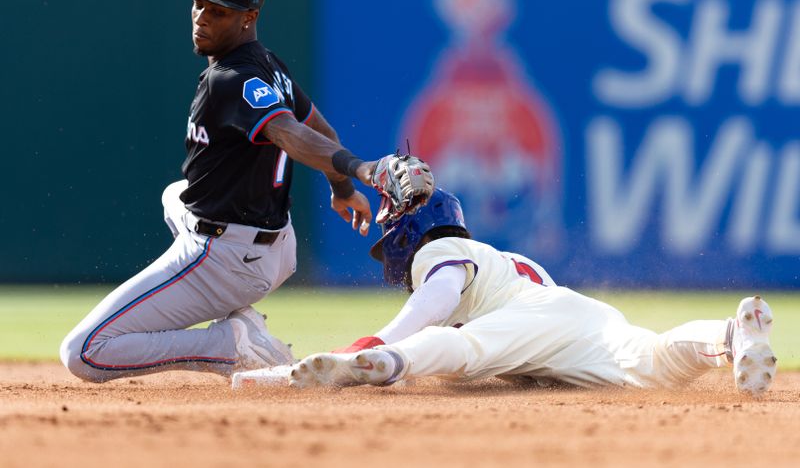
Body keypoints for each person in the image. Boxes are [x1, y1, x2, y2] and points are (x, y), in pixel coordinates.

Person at [60, 0, 432, 383]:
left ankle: (226, 345)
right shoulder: (269, 65)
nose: (202, 18)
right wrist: (341, 188)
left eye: (218, 11)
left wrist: (360, 169)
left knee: (83, 352)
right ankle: (237, 314)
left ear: (248, 18)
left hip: (226, 257)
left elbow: (289, 133)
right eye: (198, 4)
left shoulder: (231, 79)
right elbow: (321, 127)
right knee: (174, 195)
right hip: (275, 249)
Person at [287, 189, 778, 397]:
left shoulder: (443, 251)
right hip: (579, 317)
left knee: (469, 349)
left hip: (532, 318)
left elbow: (436, 301)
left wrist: (380, 345)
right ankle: (731, 336)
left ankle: (383, 364)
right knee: (657, 365)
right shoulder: (506, 263)